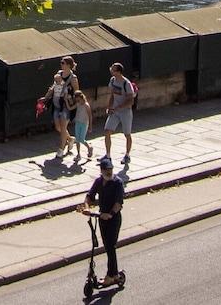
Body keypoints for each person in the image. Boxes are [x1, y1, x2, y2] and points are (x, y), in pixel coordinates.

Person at [84, 154, 126, 286]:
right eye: (106, 170)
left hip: (113, 219)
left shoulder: (118, 183)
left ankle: (110, 276)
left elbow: (118, 203)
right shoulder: (98, 181)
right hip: (102, 218)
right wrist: (86, 208)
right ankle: (114, 275)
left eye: (111, 170)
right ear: (101, 171)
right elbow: (89, 196)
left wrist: (110, 214)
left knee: (110, 246)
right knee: (107, 246)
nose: (109, 173)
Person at [103, 62, 138, 163]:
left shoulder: (126, 83)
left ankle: (127, 155)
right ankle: (108, 155)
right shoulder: (112, 80)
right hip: (114, 111)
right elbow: (112, 95)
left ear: (118, 72)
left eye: (113, 69)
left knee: (127, 134)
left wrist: (119, 107)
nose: (111, 70)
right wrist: (109, 107)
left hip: (125, 112)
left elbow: (130, 101)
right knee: (107, 131)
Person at [48, 57, 78, 158]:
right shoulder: (59, 73)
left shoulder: (73, 78)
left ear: (68, 65)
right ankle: (70, 139)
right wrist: (46, 97)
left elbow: (77, 92)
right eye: (61, 62)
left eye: (63, 63)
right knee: (58, 127)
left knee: (63, 126)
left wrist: (72, 100)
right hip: (57, 103)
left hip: (66, 105)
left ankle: (61, 148)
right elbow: (53, 87)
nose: (61, 64)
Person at [70, 87, 93, 164]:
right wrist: (66, 101)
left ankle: (89, 147)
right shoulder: (78, 104)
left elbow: (90, 116)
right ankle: (78, 154)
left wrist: (90, 126)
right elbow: (70, 108)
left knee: (81, 139)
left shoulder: (86, 105)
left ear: (81, 97)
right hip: (78, 122)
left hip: (84, 123)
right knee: (77, 139)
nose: (77, 100)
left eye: (78, 99)